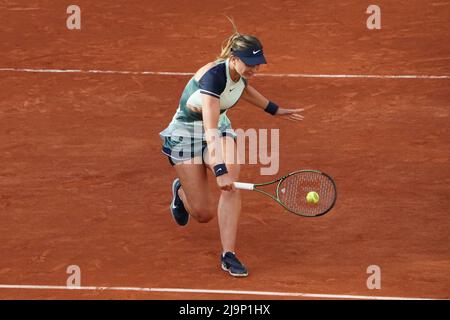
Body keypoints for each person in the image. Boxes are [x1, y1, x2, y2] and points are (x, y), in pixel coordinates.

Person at [159, 21, 304, 277]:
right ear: (234, 58)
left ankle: (229, 254)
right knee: (203, 213)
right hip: (187, 135)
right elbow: (210, 132)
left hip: (218, 128)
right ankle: (181, 192)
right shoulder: (213, 77)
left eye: (258, 63)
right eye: (249, 63)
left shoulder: (239, 73)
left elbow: (242, 90)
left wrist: (274, 109)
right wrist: (219, 169)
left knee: (231, 184)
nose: (255, 68)